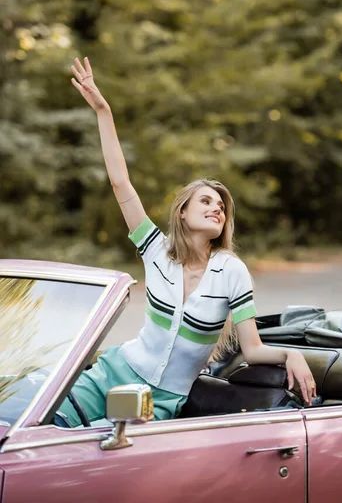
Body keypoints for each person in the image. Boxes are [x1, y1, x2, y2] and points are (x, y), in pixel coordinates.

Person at [59, 56, 316, 426]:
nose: (217, 209)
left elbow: (252, 349)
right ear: (182, 213)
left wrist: (290, 356)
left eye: (222, 206)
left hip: (159, 402)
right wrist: (103, 111)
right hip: (111, 376)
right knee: (43, 433)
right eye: (206, 201)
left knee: (98, 449)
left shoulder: (232, 271)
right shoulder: (156, 251)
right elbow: (120, 183)